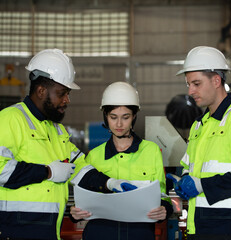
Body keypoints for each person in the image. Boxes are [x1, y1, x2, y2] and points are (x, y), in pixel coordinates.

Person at [0, 49, 113, 240]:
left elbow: (80, 168)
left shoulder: (56, 130)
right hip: (12, 229)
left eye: (68, 94)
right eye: (62, 93)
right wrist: (48, 172)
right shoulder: (9, 120)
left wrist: (110, 183)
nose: (67, 100)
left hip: (47, 229)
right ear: (41, 90)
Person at [172, 46, 231, 240]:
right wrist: (185, 178)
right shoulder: (199, 125)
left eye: (196, 84)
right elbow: (188, 165)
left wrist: (200, 186)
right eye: (188, 84)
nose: (190, 91)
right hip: (199, 225)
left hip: (228, 227)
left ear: (216, 80)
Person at [70, 81, 173, 240]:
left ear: (134, 117)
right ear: (105, 117)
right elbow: (83, 199)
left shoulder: (150, 151)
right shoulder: (94, 155)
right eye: (113, 117)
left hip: (139, 232)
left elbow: (162, 195)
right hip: (100, 231)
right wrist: (75, 213)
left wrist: (165, 209)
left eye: (125, 117)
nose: (119, 124)